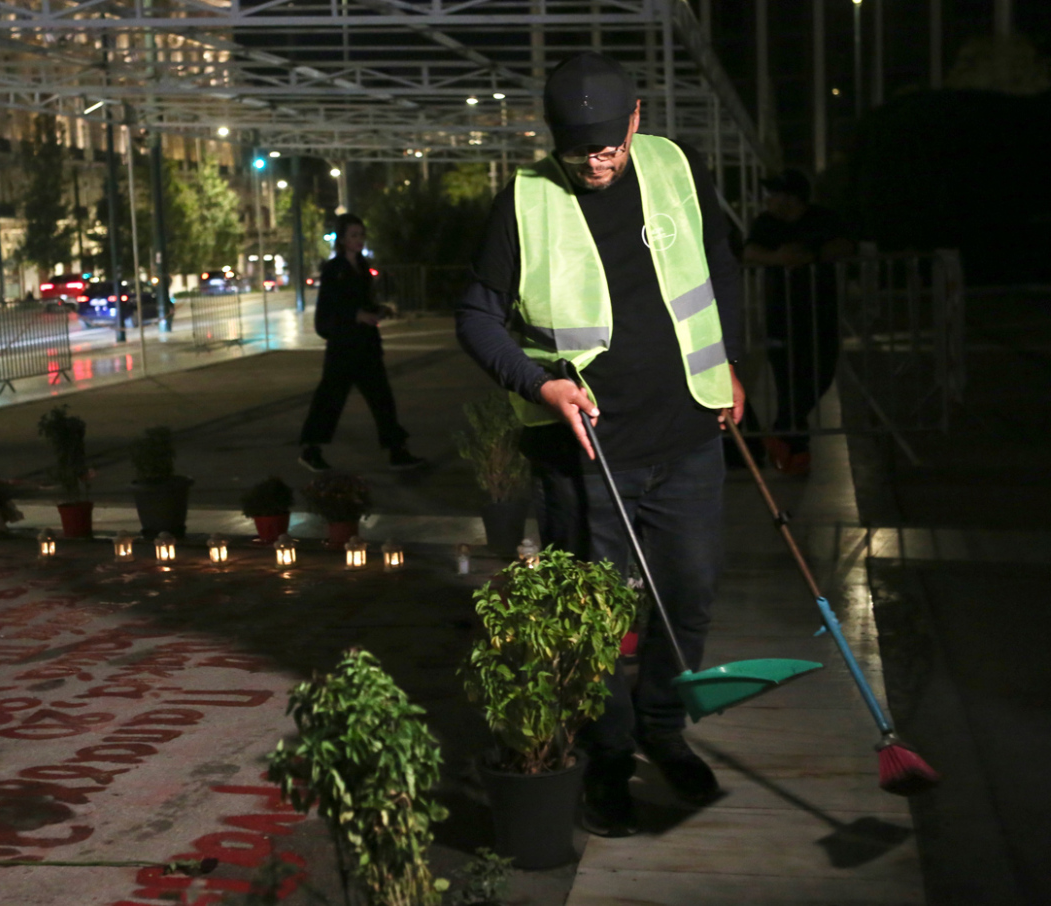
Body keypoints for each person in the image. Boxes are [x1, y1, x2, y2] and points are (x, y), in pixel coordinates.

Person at [456, 52, 745, 836]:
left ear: (637, 122)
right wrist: (539, 385)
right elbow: (477, 317)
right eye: (579, 146)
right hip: (583, 455)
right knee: (592, 622)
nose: (595, 159)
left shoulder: (674, 167)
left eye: (609, 144)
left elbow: (717, 267)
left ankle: (663, 728)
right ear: (553, 136)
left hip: (687, 436)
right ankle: (609, 756)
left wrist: (734, 366)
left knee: (687, 596)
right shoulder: (524, 200)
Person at [743, 169, 854, 475]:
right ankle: (795, 451)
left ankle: (781, 435)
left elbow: (846, 246)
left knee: (820, 375)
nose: (768, 200)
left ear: (792, 197)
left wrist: (812, 255)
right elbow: (750, 251)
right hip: (781, 314)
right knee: (788, 384)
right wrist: (777, 258)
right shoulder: (767, 224)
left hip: (820, 312)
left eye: (774, 194)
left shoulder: (822, 219)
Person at [298, 213, 425, 472]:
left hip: (366, 345)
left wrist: (379, 310)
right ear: (342, 239)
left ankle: (396, 450)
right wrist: (356, 315)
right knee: (330, 399)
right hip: (344, 346)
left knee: (382, 399)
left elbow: (363, 301)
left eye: (361, 235)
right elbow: (330, 308)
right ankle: (311, 450)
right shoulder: (334, 269)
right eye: (353, 235)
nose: (359, 240)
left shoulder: (364, 267)